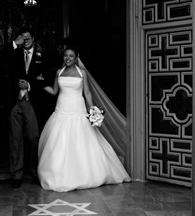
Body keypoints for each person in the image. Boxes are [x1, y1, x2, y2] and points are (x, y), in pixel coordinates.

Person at [38, 47, 131, 192]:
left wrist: (92, 109)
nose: (67, 58)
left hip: (77, 109)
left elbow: (87, 92)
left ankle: (85, 174)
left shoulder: (82, 73)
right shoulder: (59, 72)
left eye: (71, 56)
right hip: (62, 109)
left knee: (81, 140)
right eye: (65, 56)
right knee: (59, 141)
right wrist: (40, 84)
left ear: (76, 58)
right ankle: (58, 174)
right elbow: (54, 91)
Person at [4, 29, 48, 188]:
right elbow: (0, 57)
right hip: (14, 102)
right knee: (15, 139)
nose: (26, 39)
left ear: (34, 39)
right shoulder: (14, 53)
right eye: (23, 37)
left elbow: (46, 78)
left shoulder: (41, 56)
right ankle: (16, 173)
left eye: (29, 37)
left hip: (31, 101)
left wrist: (29, 85)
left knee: (33, 137)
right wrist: (15, 43)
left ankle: (35, 169)